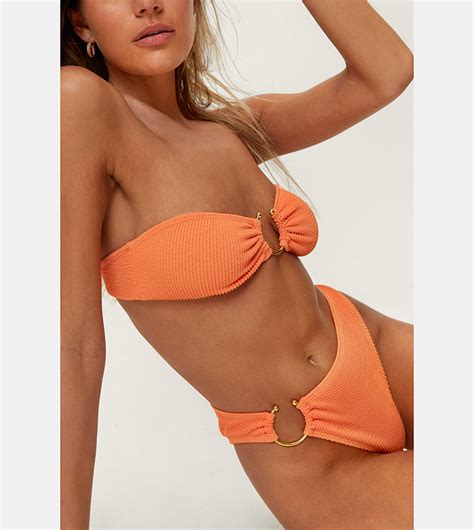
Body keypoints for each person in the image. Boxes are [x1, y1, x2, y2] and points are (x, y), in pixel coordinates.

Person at [61, 0, 414, 528]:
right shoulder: (77, 105)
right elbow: (72, 347)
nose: (147, 4)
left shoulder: (231, 129)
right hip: (310, 451)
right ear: (80, 21)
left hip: (380, 348)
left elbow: (387, 71)